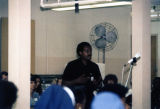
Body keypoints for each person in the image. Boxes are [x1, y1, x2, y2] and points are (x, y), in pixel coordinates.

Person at [62, 42, 102, 109]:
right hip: (76, 95)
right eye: (87, 51)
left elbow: (99, 82)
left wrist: (96, 83)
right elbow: (63, 83)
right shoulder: (71, 65)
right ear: (80, 53)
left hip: (90, 95)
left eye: (90, 51)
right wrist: (76, 81)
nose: (90, 53)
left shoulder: (94, 66)